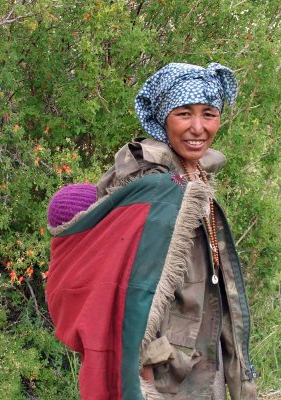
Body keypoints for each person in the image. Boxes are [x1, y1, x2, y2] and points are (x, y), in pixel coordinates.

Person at [46, 62, 257, 400]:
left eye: (209, 113)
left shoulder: (192, 174)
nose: (199, 127)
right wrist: (142, 371)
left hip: (199, 346)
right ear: (162, 118)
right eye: (184, 114)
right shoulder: (154, 185)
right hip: (165, 369)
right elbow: (130, 289)